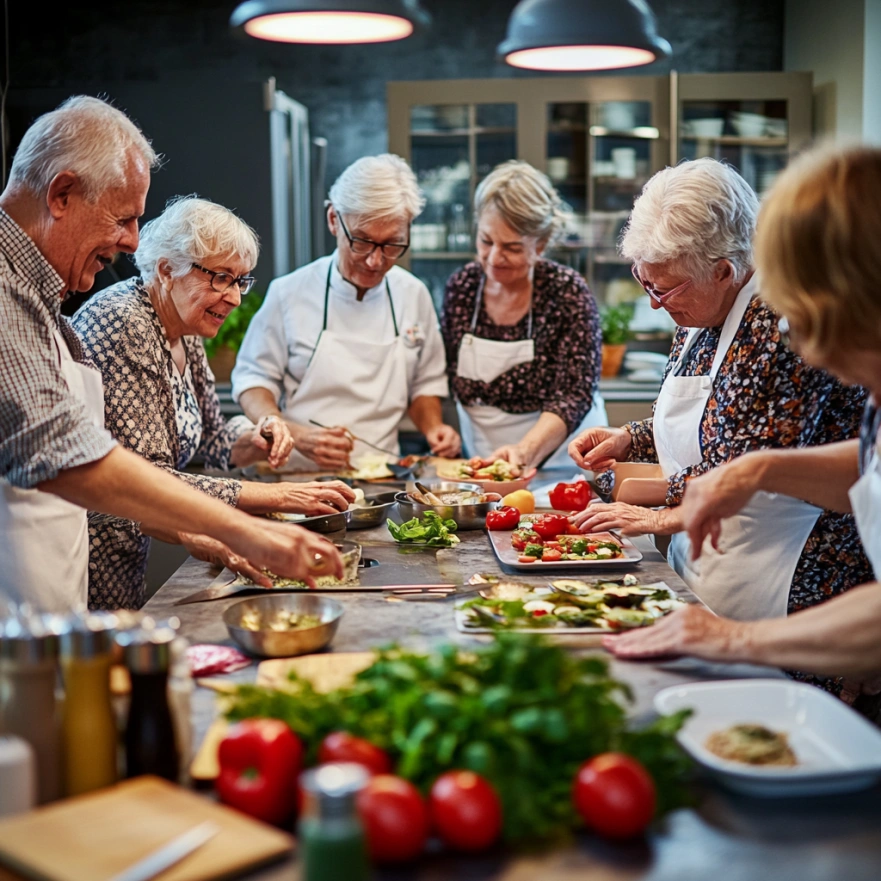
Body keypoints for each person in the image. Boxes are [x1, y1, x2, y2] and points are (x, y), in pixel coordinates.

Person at [0, 96, 342, 613]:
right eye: (123, 218)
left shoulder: (42, 295)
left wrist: (253, 441)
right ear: (62, 193)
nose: (132, 240)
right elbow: (66, 455)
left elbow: (205, 437)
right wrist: (250, 523)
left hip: (54, 597)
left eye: (238, 281)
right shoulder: (20, 294)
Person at [604, 146, 881, 701]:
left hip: (788, 574)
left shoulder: (773, 331)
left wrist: (734, 639)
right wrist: (756, 468)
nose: (802, 345)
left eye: (803, 319)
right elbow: (868, 469)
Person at [72, 195, 355, 609]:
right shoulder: (124, 322)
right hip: (87, 562)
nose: (236, 298)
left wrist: (257, 436)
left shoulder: (186, 326)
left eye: (241, 280)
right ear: (168, 269)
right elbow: (148, 479)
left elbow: (214, 443)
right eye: (221, 278)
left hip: (129, 558)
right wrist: (280, 496)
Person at [231, 154, 460, 472]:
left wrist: (433, 427)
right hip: (298, 476)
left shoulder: (413, 294)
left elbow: (425, 384)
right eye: (362, 242)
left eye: (393, 245)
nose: (375, 261)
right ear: (333, 220)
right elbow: (253, 380)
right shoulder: (289, 293)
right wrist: (295, 434)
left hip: (384, 478)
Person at [440, 160, 605, 468]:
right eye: (486, 241)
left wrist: (524, 451)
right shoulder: (463, 287)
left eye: (512, 248)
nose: (493, 257)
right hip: (484, 464)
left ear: (541, 243)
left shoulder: (567, 292)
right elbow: (441, 372)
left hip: (563, 467)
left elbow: (573, 393)